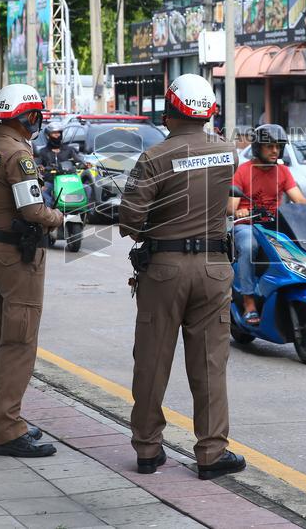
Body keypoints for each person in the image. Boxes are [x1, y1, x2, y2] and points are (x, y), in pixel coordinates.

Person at [118, 73, 246, 481]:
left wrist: (154, 227)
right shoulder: (228, 152)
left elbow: (129, 220)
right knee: (210, 363)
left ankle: (148, 450)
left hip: (165, 270)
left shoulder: (154, 157)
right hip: (214, 269)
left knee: (153, 360)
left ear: (170, 111)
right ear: (209, 112)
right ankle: (211, 452)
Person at [0, 84, 63, 457]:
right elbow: (32, 210)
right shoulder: (16, 154)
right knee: (19, 341)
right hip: (18, 254)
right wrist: (59, 216)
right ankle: (9, 428)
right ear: (27, 117)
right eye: (36, 115)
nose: (38, 121)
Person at [228, 124, 306, 327]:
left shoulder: (282, 171)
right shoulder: (243, 171)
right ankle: (248, 302)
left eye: (278, 146)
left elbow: (298, 198)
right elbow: (231, 206)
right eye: (270, 146)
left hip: (275, 225)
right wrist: (239, 211)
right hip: (247, 225)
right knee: (249, 247)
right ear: (258, 147)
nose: (275, 151)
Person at [35, 121, 96, 208]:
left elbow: (78, 161)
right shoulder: (43, 152)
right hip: (51, 181)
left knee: (87, 188)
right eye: (54, 133)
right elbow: (38, 165)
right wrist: (41, 168)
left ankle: (86, 214)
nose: (57, 135)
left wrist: (85, 165)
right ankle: (50, 212)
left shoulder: (69, 150)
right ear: (48, 135)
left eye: (58, 133)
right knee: (43, 191)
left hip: (69, 181)